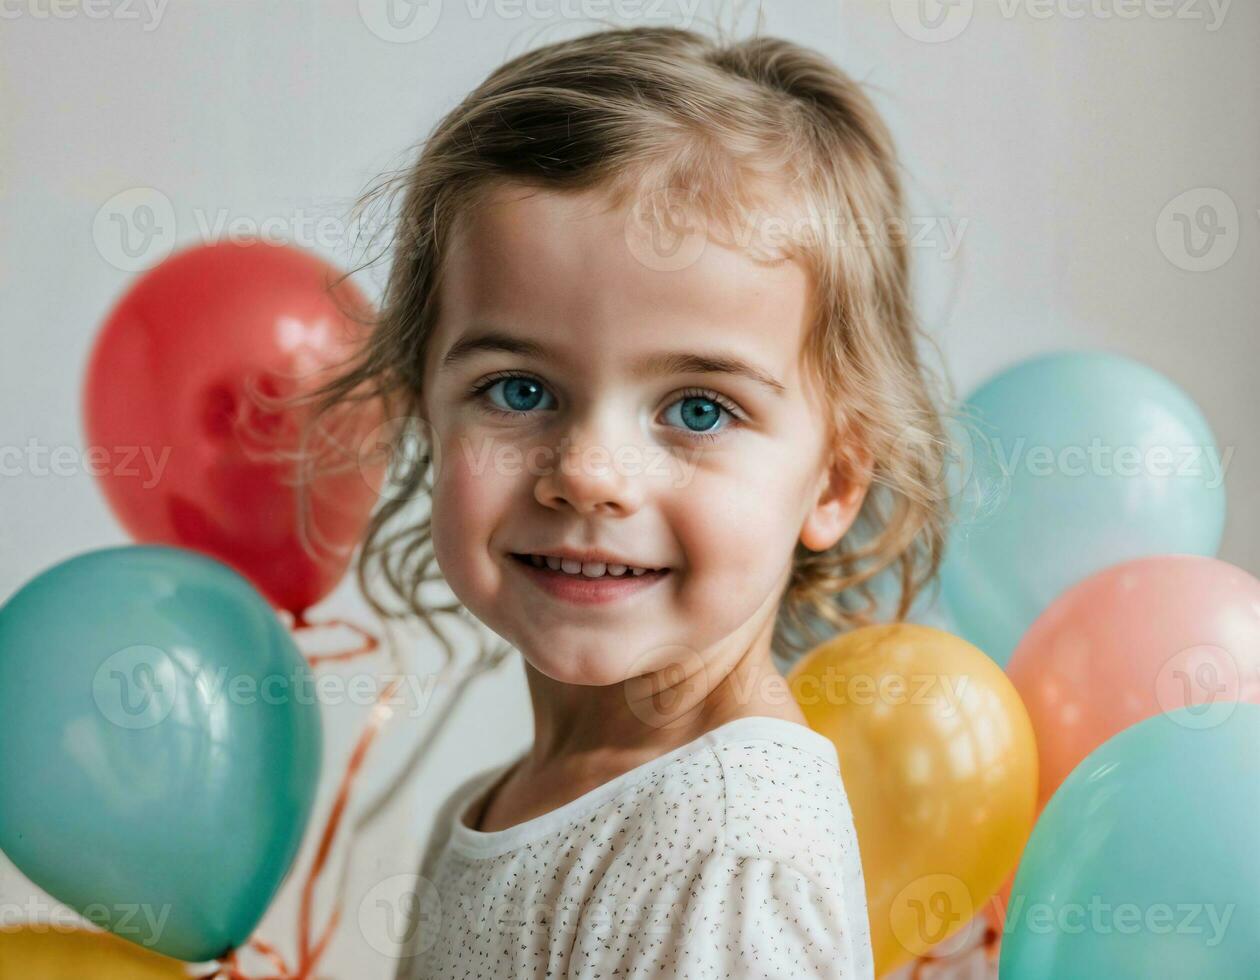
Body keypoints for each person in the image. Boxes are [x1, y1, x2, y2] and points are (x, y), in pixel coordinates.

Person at [299, 22, 954, 980]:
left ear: (837, 480)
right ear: (427, 418)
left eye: (698, 408)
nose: (591, 472)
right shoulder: (487, 810)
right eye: (519, 390)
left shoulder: (731, 855)